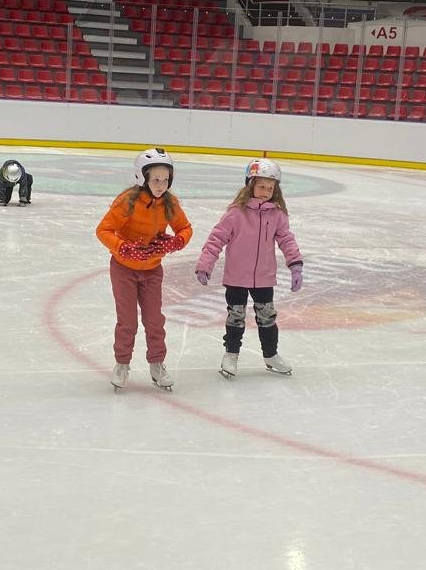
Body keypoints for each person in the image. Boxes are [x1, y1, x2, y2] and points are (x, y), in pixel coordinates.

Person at [195, 156, 303, 378]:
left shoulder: (277, 215)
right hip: (236, 277)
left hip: (264, 277)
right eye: (261, 186)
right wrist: (205, 264)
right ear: (250, 185)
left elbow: (286, 240)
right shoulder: (236, 213)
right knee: (235, 317)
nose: (265, 191)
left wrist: (295, 265)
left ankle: (271, 355)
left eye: (270, 188)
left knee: (267, 318)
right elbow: (216, 239)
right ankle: (231, 354)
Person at [96, 148, 192, 392]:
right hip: (123, 269)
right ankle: (122, 364)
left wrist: (175, 242)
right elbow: (103, 230)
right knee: (127, 321)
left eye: (166, 180)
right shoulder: (127, 201)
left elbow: (185, 228)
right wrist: (123, 247)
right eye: (156, 179)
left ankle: (157, 364)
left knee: (154, 320)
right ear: (143, 177)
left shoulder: (169, 203)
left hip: (152, 270)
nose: (161, 185)